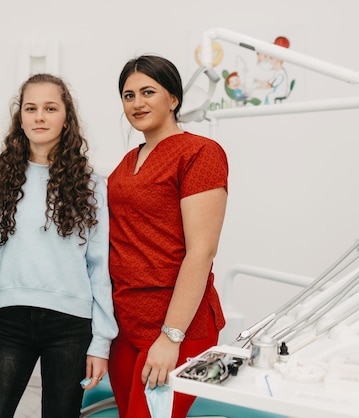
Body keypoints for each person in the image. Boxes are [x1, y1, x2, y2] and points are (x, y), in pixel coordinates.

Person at [0, 73, 118, 418]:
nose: (40, 116)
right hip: (11, 321)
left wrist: (101, 341)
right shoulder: (3, 184)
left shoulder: (92, 186)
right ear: (19, 118)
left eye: (50, 108)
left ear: (66, 117)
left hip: (71, 326)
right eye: (31, 108)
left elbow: (100, 268)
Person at [107, 55, 228, 417]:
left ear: (173, 98)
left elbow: (201, 252)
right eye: (128, 96)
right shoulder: (127, 161)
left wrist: (170, 336)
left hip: (176, 327)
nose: (137, 103)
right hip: (125, 323)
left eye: (148, 92)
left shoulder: (200, 153)